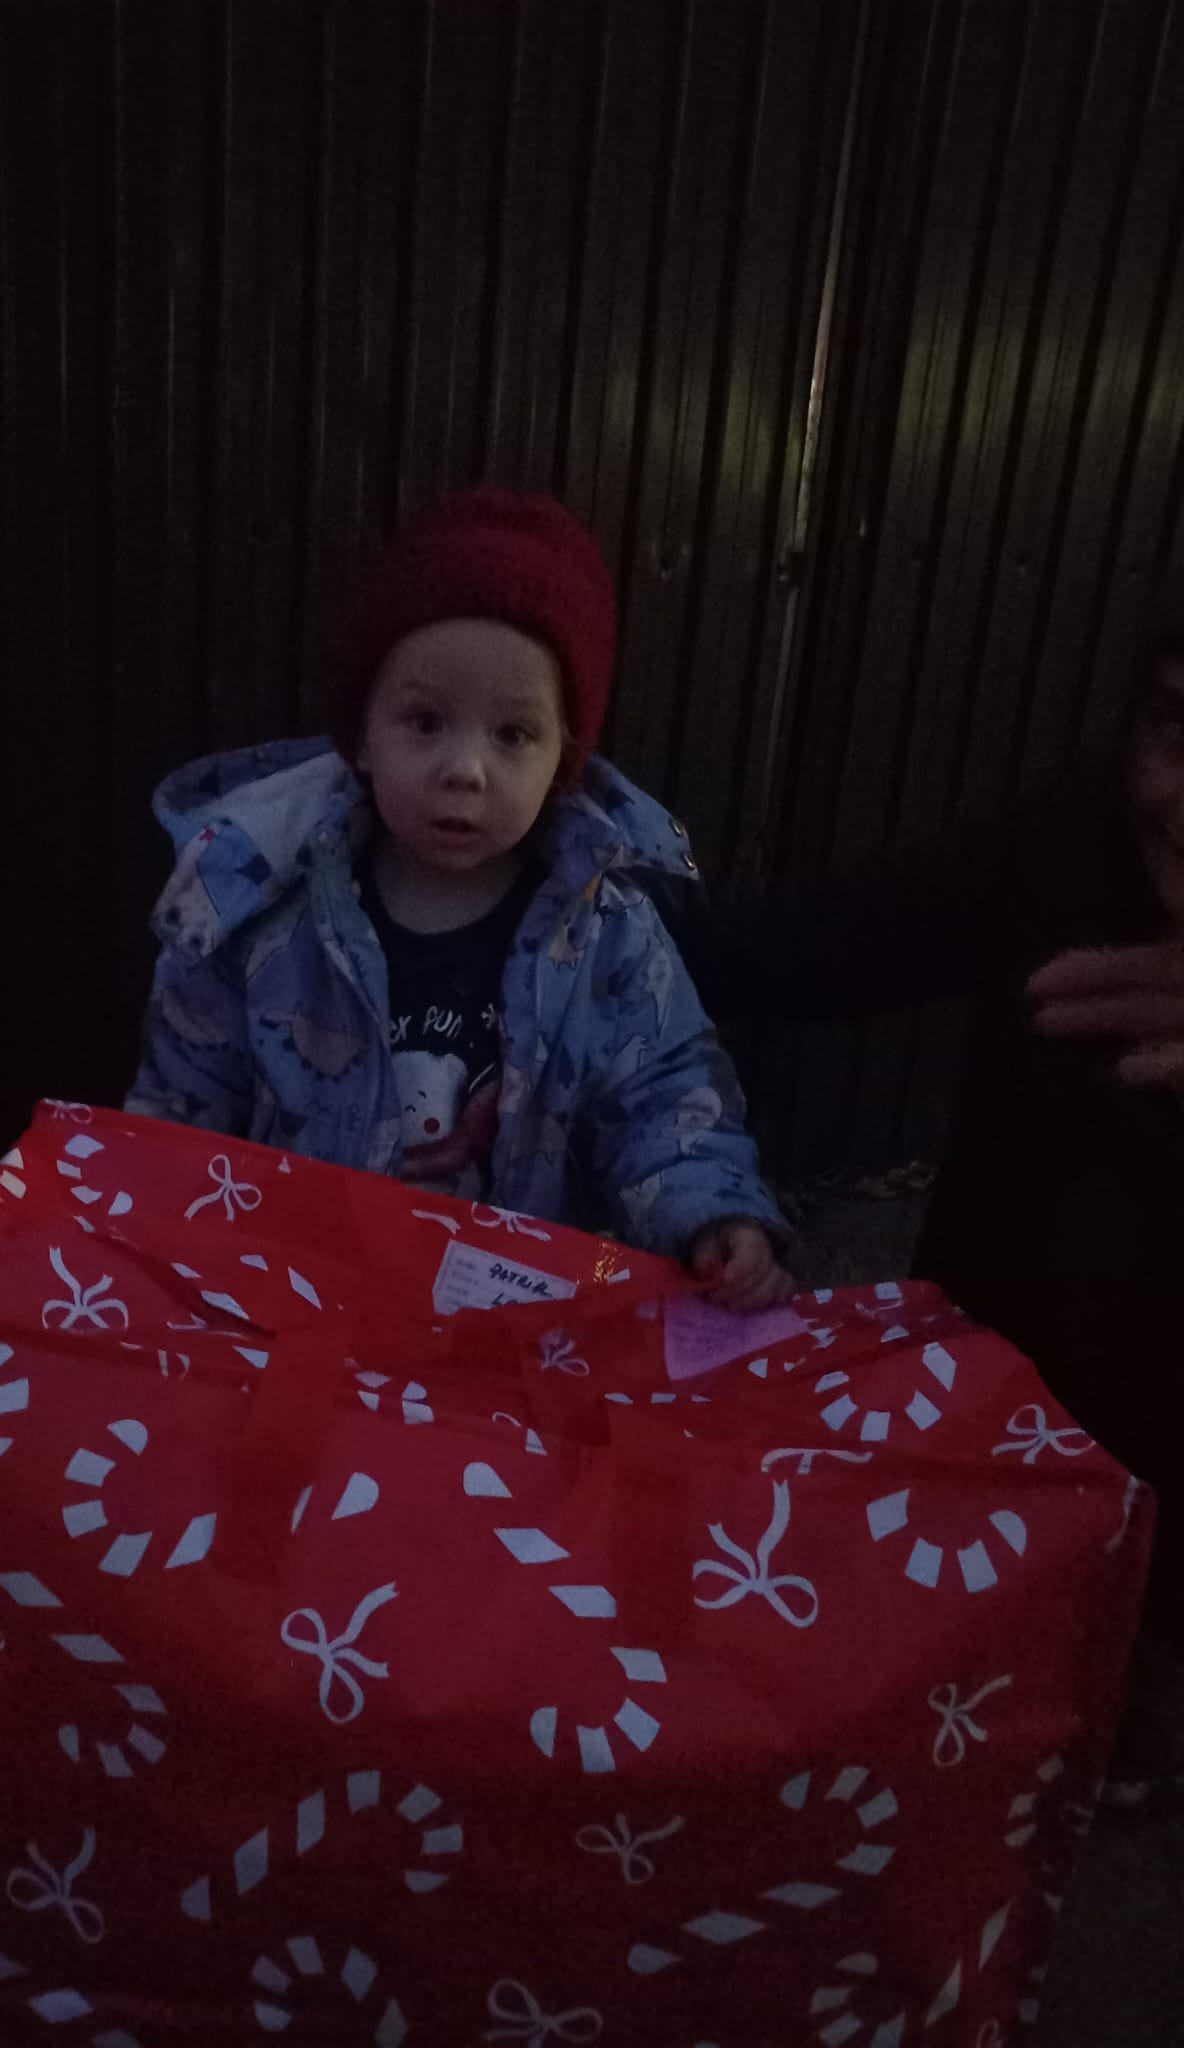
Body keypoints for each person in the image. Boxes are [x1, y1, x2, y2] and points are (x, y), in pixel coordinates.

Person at [666, 572, 1184, 1784]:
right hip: (994, 1389)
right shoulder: (1067, 841)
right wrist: (574, 885)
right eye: (1174, 727)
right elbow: (821, 939)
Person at [127, 487, 793, 1309]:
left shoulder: (605, 932)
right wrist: (159, 1263)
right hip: (292, 1302)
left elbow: (661, 1096)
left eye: (513, 734)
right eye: (425, 722)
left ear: (563, 759)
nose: (465, 769)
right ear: (360, 737)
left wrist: (711, 1214)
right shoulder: (256, 911)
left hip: (512, 1322)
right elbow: (182, 1110)